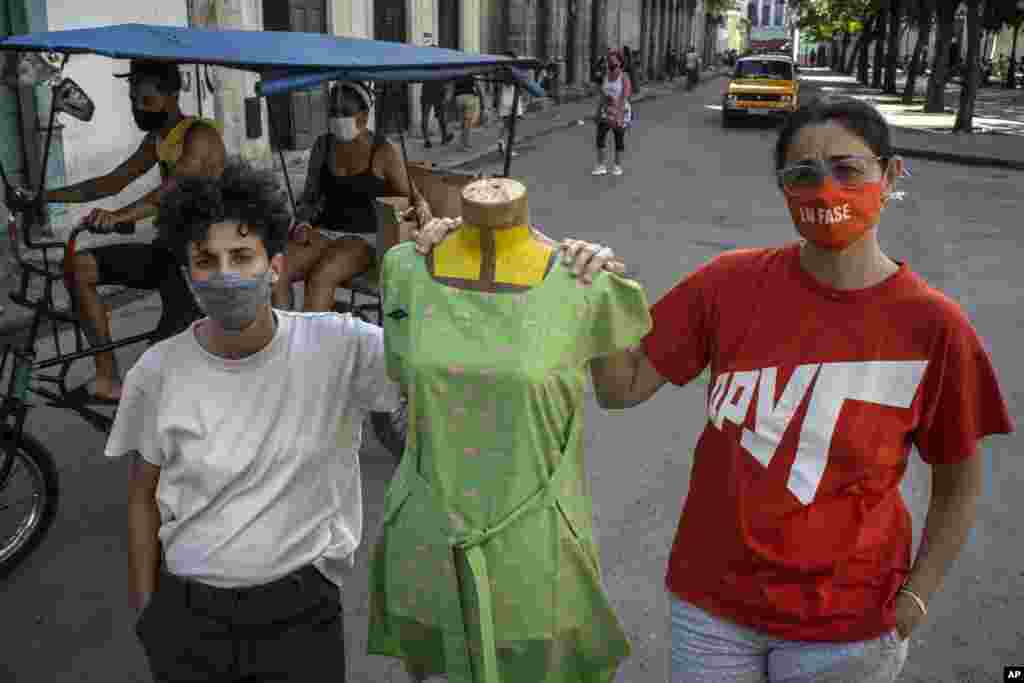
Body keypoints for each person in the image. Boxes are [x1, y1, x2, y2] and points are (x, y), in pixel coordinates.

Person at [106, 160, 623, 683]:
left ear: (276, 266)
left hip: (299, 616)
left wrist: (549, 260)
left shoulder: (337, 346)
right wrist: (150, 615)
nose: (224, 275)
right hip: (188, 616)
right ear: (185, 272)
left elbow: (472, 360)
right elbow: (140, 497)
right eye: (205, 260)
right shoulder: (159, 370)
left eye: (242, 256)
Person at [578, 95, 1014, 682]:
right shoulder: (725, 286)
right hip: (713, 612)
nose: (825, 190)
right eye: (803, 174)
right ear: (784, 188)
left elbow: (959, 484)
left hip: (848, 627)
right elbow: (621, 389)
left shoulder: (934, 327)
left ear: (890, 176)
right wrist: (596, 298)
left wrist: (918, 595)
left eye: (847, 169)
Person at [368, 178, 652, 683]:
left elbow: (619, 391)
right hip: (428, 537)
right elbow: (403, 380)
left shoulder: (584, 281)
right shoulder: (404, 269)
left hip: (538, 547)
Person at [43, 59, 226, 402]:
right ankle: (107, 377)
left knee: (160, 373)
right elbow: (112, 181)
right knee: (78, 267)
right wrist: (46, 195)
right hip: (169, 250)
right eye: (133, 101)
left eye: (145, 101)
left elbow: (171, 190)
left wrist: (121, 215)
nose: (138, 109)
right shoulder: (158, 139)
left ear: (171, 94)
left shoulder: (200, 136)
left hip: (203, 260)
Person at [271, 81, 433, 312]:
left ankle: (312, 345)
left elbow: (414, 197)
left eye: (345, 113)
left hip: (365, 238)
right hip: (324, 231)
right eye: (334, 113)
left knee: (321, 276)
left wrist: (423, 211)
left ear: (364, 116)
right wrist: (302, 222)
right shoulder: (323, 145)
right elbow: (310, 197)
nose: (338, 119)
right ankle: (284, 337)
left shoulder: (384, 151)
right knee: (278, 271)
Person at [592, 49, 633, 177]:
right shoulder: (606, 76)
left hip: (620, 110)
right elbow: (602, 96)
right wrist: (598, 112)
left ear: (620, 63)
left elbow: (624, 97)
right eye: (609, 64)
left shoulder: (624, 77)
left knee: (618, 138)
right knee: (600, 137)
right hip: (606, 111)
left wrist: (618, 115)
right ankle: (601, 165)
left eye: (614, 65)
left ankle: (617, 166)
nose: (611, 67)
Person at [496, 51, 527, 158]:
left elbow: (499, 89)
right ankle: (509, 149)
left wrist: (497, 103)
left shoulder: (501, 70)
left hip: (504, 100)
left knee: (505, 124)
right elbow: (521, 83)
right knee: (513, 128)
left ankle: (500, 140)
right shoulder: (514, 70)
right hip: (513, 99)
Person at [420, 78, 454, 148]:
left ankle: (427, 140)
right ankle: (444, 138)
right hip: (437, 92)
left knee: (426, 116)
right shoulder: (440, 69)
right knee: (440, 116)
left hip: (427, 91)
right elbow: (448, 82)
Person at [452, 74, 482, 151]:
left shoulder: (457, 73)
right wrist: (481, 98)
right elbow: (477, 86)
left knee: (462, 122)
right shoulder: (470, 72)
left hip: (458, 98)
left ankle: (461, 144)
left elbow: (452, 86)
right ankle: (465, 144)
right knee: (467, 123)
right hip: (469, 98)